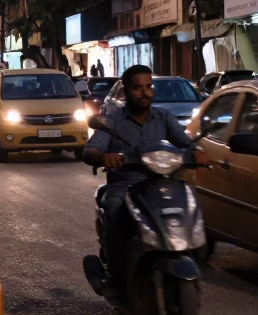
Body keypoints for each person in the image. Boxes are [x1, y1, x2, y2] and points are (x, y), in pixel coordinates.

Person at [83, 65, 193, 286]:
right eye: (137, 88)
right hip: (125, 186)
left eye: (148, 87)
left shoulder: (164, 117)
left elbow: (186, 143)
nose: (145, 93)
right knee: (114, 211)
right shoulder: (113, 120)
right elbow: (91, 149)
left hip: (161, 183)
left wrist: (197, 153)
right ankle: (115, 277)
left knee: (188, 206)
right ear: (126, 91)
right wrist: (104, 157)